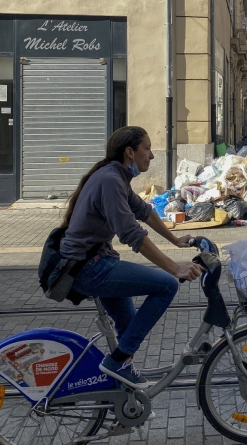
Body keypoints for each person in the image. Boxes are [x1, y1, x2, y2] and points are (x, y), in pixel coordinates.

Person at [60, 126, 202, 390]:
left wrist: (175, 240)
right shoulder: (110, 180)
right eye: (147, 148)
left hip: (97, 263)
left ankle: (119, 399)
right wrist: (175, 269)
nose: (152, 155)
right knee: (166, 285)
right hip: (88, 269)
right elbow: (132, 235)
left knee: (127, 329)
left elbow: (144, 211)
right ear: (129, 152)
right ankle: (116, 364)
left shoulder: (116, 177)